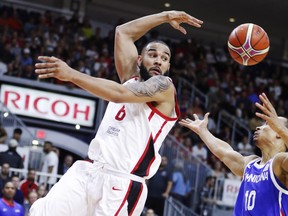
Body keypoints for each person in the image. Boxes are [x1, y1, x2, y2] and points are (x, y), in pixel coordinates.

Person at [30, 11, 203, 216]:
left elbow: (119, 94)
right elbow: (123, 33)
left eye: (164, 58)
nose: (158, 61)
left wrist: (71, 74)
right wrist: (165, 16)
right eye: (153, 55)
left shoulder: (164, 86)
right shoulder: (131, 78)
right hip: (90, 170)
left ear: (168, 66)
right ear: (140, 60)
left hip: (122, 183)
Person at [179, 92, 288, 215]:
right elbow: (224, 152)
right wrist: (203, 131)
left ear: (279, 134)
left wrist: (281, 128)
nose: (259, 127)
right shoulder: (250, 164)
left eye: (268, 124)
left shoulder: (281, 163)